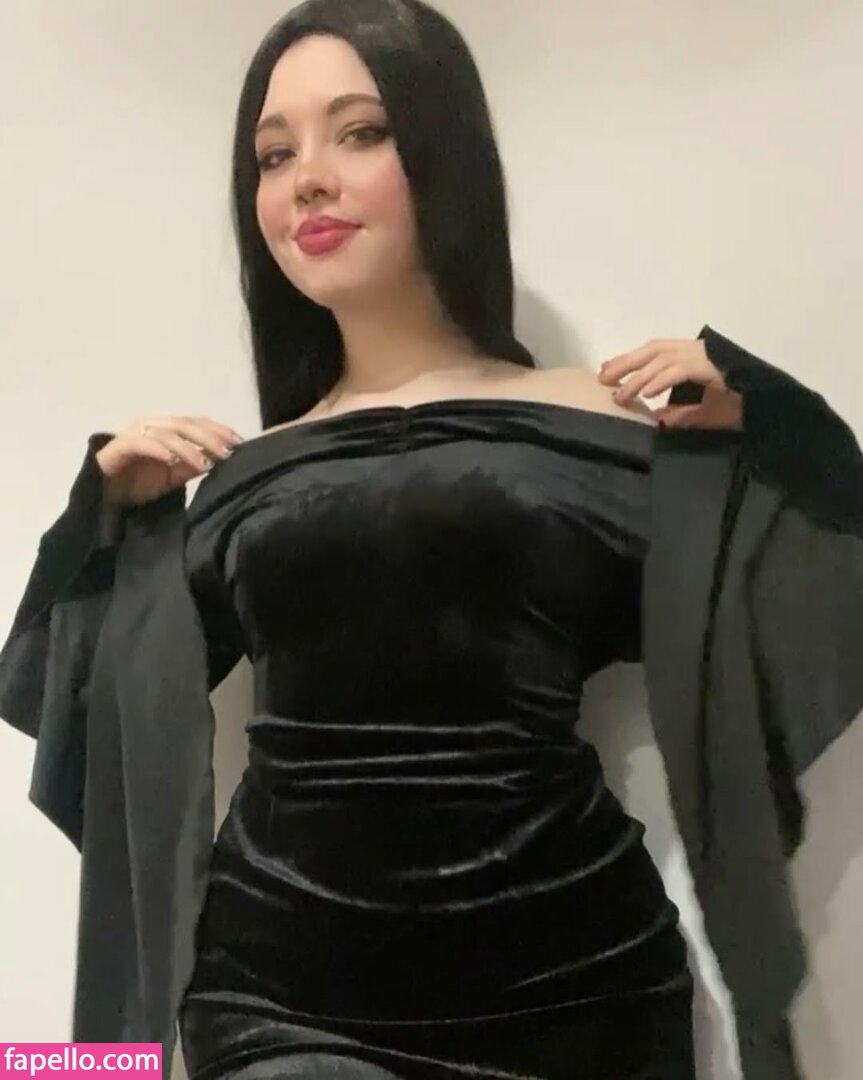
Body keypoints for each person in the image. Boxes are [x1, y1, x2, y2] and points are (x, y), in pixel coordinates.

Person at [1, 2, 861, 1078]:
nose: (307, 181)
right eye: (274, 155)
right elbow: (72, 701)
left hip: (575, 992)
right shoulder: (246, 470)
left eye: (358, 132)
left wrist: (774, 424)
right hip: (282, 1003)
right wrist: (100, 517)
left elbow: (822, 589)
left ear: (444, 152)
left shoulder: (606, 422)